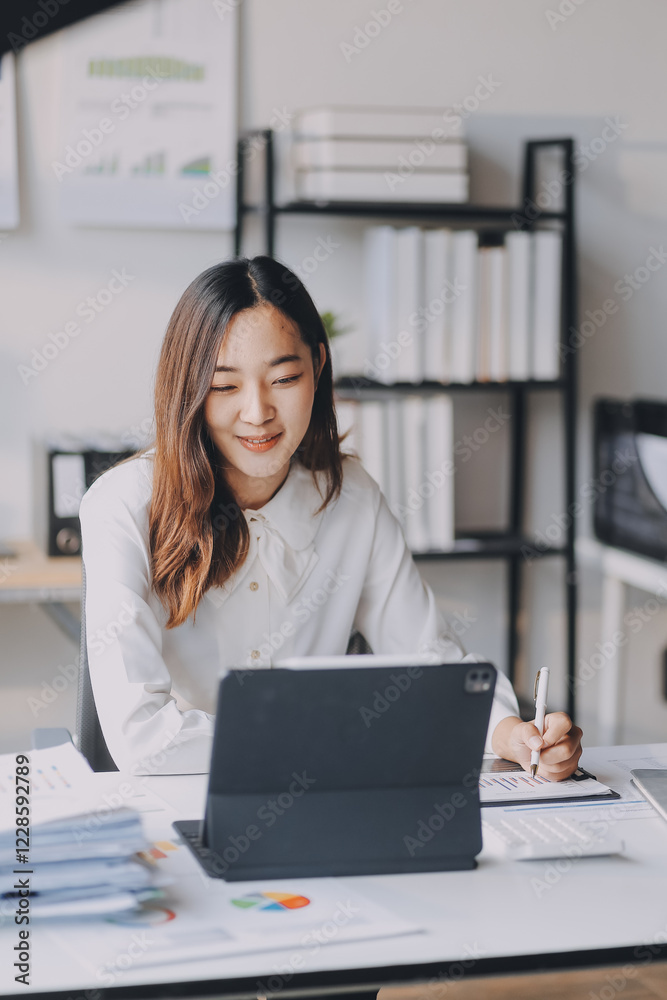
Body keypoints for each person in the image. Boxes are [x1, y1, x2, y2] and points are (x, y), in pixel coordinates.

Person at [79, 255, 583, 777]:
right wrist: (322, 738)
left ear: (318, 367)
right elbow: (141, 736)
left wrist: (512, 735)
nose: (257, 412)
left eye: (284, 377)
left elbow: (429, 661)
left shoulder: (350, 498)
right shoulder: (123, 505)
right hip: (175, 801)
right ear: (188, 388)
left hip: (316, 798)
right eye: (225, 386)